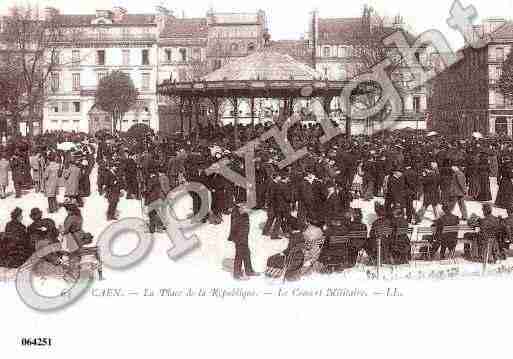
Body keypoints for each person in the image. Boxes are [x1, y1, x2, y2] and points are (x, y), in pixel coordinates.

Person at [228, 203, 258, 280]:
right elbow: (234, 227)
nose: (245, 207)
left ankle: (249, 271)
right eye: (243, 206)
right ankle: (237, 274)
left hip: (243, 237)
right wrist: (236, 238)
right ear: (239, 206)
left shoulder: (242, 213)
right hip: (239, 238)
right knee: (239, 255)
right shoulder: (236, 213)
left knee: (247, 253)